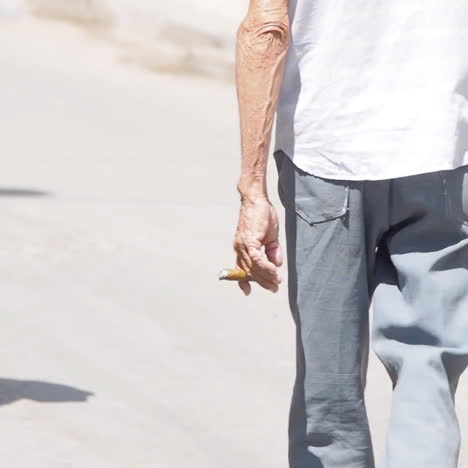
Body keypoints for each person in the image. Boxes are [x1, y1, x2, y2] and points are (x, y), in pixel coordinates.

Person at [232, 0, 468, 467]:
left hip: (327, 149)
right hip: (444, 144)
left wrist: (252, 188)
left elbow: (266, 26)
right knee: (429, 367)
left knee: (330, 388)